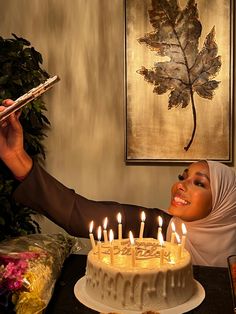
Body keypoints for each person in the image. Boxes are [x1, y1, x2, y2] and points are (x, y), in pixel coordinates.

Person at [0, 99, 235, 267]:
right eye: (183, 177)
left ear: (226, 203)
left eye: (200, 183)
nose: (181, 185)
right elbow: (76, 213)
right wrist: (17, 158)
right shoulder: (159, 227)